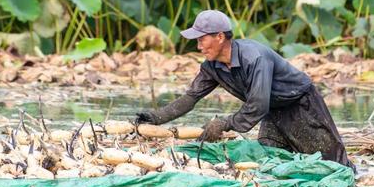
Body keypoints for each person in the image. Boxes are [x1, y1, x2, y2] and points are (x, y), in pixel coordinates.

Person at [136, 10, 354, 170]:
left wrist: (224, 124)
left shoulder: (254, 57)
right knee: (272, 157)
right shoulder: (212, 66)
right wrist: (155, 117)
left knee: (333, 163)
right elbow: (190, 98)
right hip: (274, 111)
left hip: (301, 105)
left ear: (220, 37)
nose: (199, 46)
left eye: (202, 39)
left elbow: (257, 105)